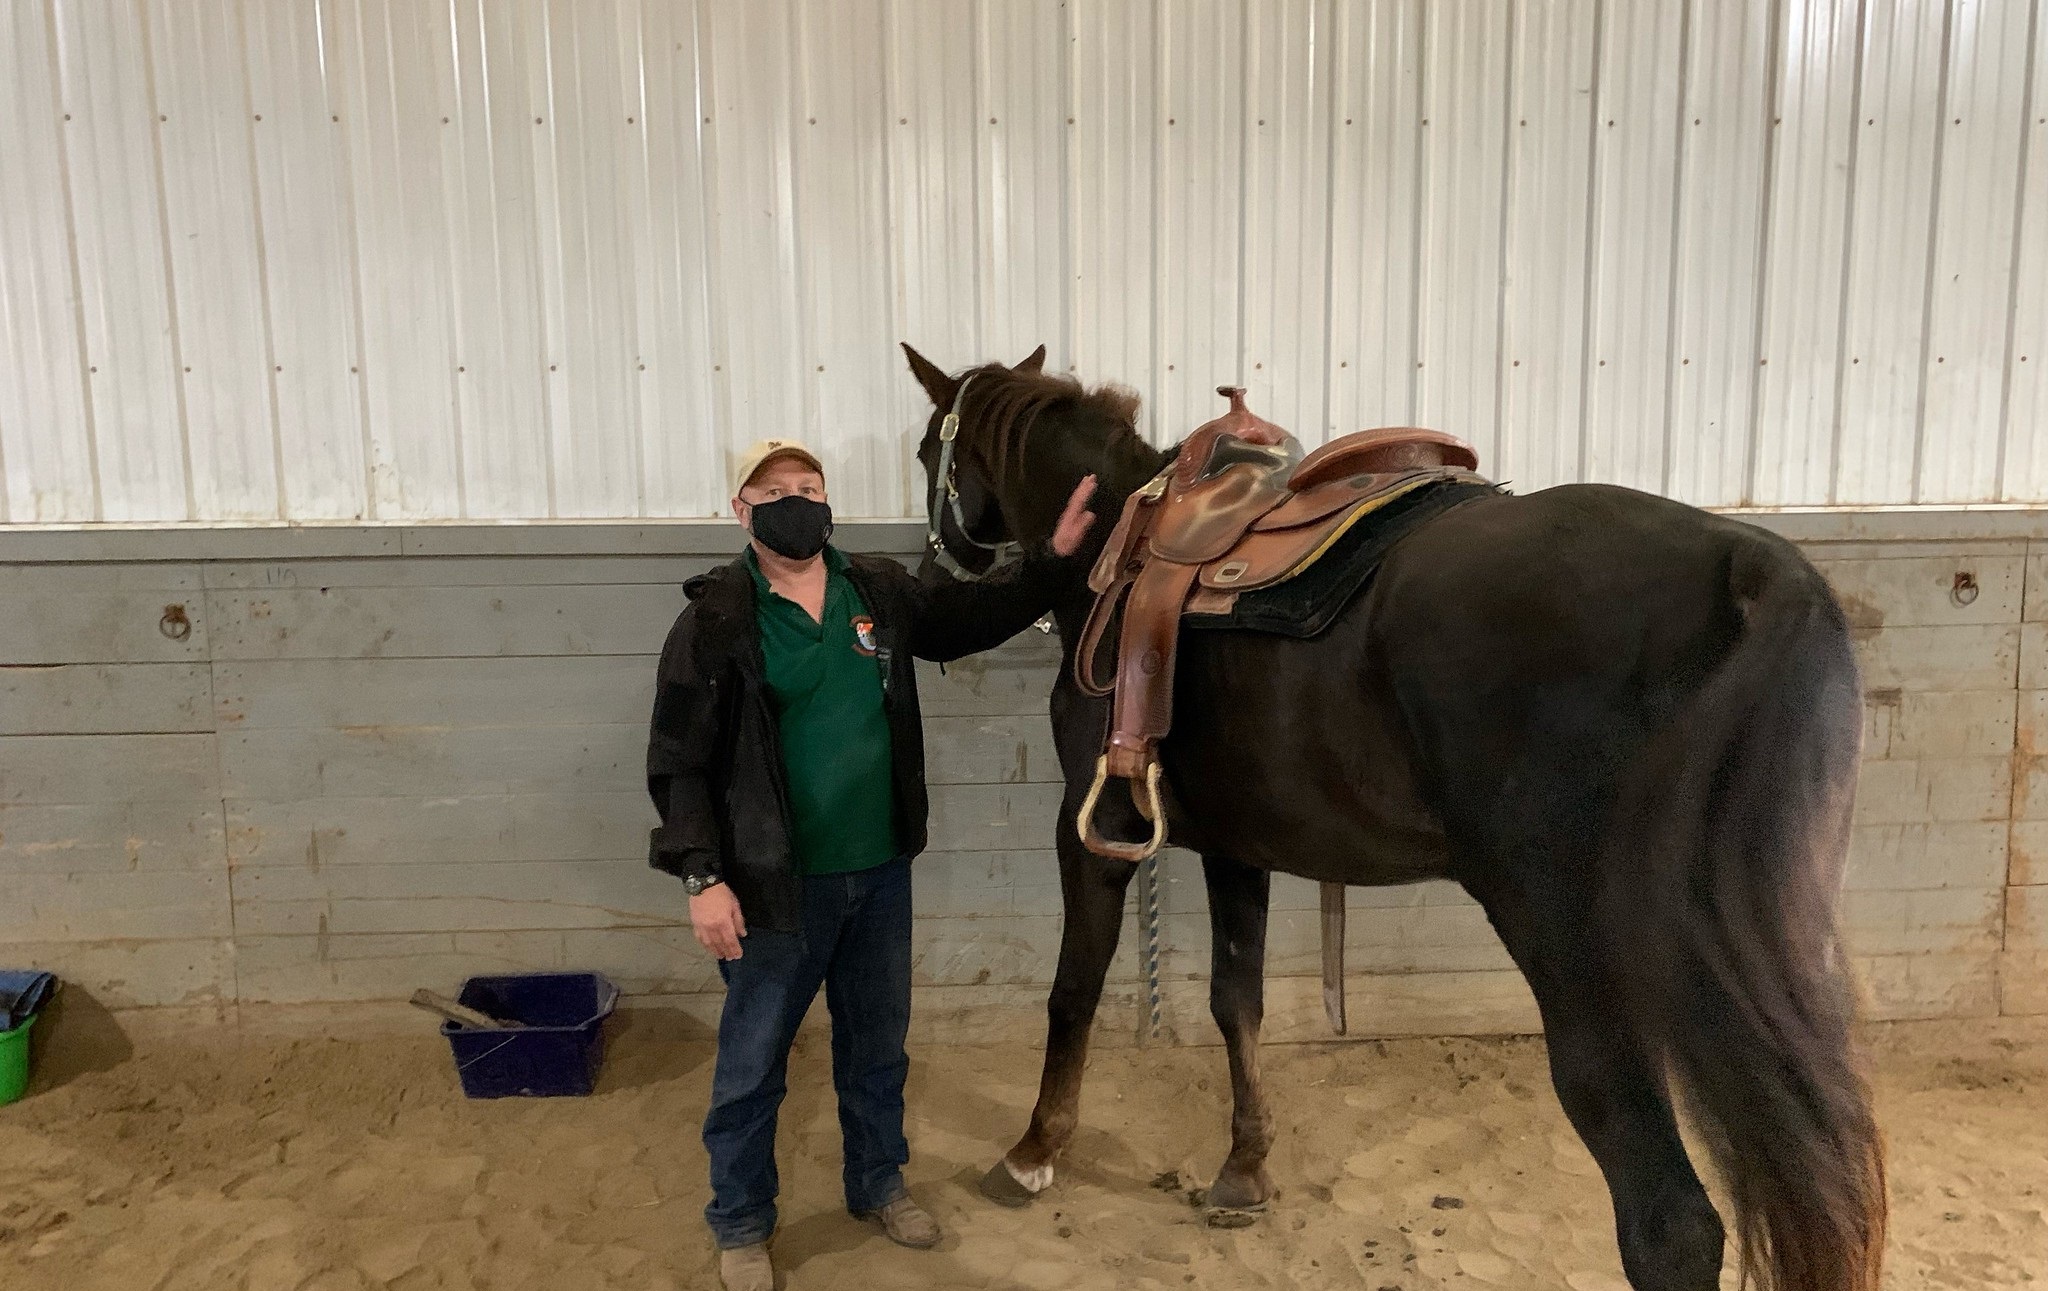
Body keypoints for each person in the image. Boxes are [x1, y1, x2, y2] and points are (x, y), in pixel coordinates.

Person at [646, 438, 1097, 1291]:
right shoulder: (715, 619)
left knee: (877, 1047)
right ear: (740, 511)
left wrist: (1051, 561)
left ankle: (877, 1182)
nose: (796, 501)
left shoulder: (878, 590)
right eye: (773, 490)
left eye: (808, 487)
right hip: (775, 889)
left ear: (828, 500)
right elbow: (678, 759)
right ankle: (741, 1222)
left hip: (880, 871)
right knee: (752, 1066)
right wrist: (701, 876)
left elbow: (965, 620)